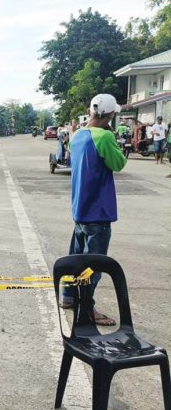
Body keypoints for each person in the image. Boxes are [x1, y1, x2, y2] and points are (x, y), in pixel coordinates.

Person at [60, 94, 127, 326]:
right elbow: (118, 164)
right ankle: (87, 309)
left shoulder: (78, 135)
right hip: (98, 212)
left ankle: (68, 297)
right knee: (93, 266)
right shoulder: (105, 136)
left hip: (80, 208)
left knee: (76, 258)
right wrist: (115, 141)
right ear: (110, 115)